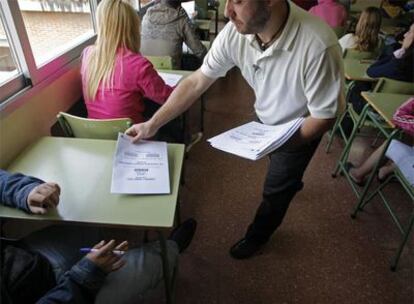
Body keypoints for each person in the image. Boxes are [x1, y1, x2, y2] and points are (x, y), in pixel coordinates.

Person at [126, 0, 344, 259]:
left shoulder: (318, 45)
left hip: (298, 127)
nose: (227, 11)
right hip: (265, 118)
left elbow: (324, 117)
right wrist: (153, 123)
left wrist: (278, 144)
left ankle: (258, 235)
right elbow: (196, 81)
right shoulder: (236, 31)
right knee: (280, 172)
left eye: (238, 1)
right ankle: (289, 179)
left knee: (277, 188)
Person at [0, 169, 197, 303]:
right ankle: (172, 248)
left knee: (89, 221)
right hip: (59, 292)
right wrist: (84, 276)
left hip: (28, 259)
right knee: (152, 262)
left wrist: (24, 191)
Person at [81, 0, 173, 125]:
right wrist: (186, 85)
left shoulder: (88, 55)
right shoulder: (139, 65)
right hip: (131, 138)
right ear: (133, 30)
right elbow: (167, 97)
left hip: (94, 138)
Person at [140, 0, 207, 70]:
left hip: (146, 67)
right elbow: (199, 51)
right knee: (195, 61)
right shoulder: (181, 18)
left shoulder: (146, 17)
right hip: (171, 68)